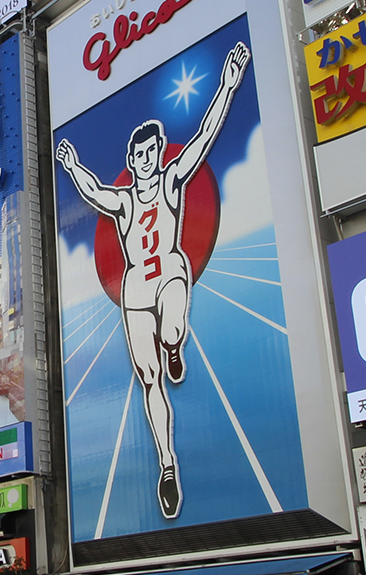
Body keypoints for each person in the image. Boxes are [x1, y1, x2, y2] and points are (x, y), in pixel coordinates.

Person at [53, 41, 250, 520]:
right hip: (137, 288)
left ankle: (175, 341)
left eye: (152, 151)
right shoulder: (123, 200)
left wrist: (227, 84)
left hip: (171, 269)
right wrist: (73, 166)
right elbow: (95, 192)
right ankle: (167, 465)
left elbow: (204, 137)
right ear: (132, 157)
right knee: (149, 378)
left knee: (173, 319)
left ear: (159, 154)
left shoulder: (170, 181)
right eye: (138, 154)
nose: (145, 159)